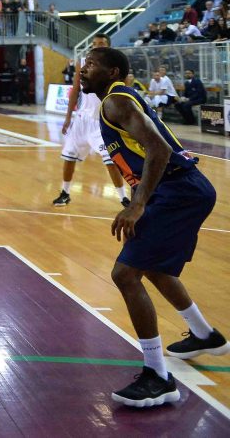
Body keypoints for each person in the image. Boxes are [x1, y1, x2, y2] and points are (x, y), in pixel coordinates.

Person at [80, 47, 226, 408]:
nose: (82, 70)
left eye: (91, 65)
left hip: (177, 190)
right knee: (152, 267)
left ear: (112, 72)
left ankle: (158, 377)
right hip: (177, 189)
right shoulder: (116, 100)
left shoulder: (115, 102)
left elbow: (159, 150)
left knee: (125, 274)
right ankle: (204, 334)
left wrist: (138, 204)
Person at [53, 34, 129, 207]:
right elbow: (75, 90)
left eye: (101, 43)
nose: (96, 46)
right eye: (94, 43)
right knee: (69, 156)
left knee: (111, 161)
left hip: (102, 120)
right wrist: (68, 118)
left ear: (109, 46)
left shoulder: (115, 67)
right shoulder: (82, 63)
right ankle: (65, 192)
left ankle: (123, 197)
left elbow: (123, 91)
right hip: (81, 119)